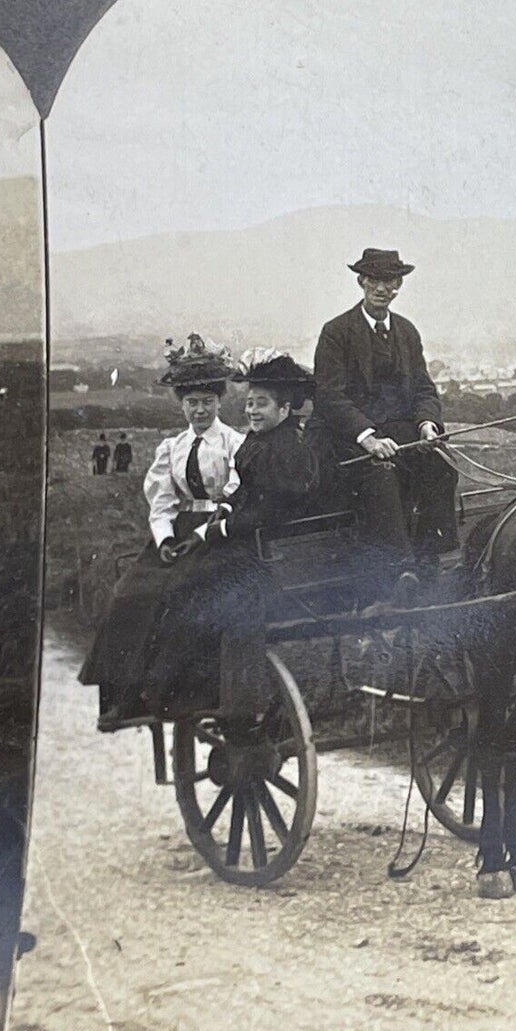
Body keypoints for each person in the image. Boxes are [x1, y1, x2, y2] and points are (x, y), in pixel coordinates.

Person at [138, 352, 319, 718]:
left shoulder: (268, 446)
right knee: (159, 587)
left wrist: (216, 527)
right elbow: (237, 494)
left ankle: (182, 686)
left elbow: (268, 506)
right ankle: (162, 682)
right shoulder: (255, 442)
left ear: (285, 409)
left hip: (253, 543)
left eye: (262, 404)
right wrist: (199, 530)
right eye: (249, 403)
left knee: (194, 587)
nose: (252, 411)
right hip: (223, 533)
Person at [80, 335, 243, 727]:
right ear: (181, 405)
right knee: (129, 594)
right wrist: (165, 538)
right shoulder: (172, 447)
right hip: (176, 532)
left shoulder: (235, 443)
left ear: (219, 402)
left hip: (218, 532)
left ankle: (170, 692)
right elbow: (162, 501)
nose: (199, 410)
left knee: (177, 596)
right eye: (192, 402)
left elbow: (238, 490)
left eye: (206, 401)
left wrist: (210, 526)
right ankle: (124, 694)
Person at [313, 247, 457, 601]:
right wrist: (367, 438)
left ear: (398, 286)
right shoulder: (336, 332)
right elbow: (330, 397)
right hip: (348, 436)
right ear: (362, 281)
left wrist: (426, 425)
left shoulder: (407, 332)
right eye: (375, 280)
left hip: (402, 430)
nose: (382, 288)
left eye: (390, 281)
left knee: (442, 464)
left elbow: (424, 388)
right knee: (381, 475)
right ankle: (399, 569)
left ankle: (431, 558)